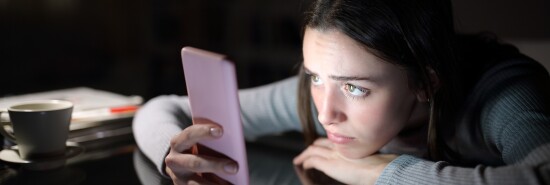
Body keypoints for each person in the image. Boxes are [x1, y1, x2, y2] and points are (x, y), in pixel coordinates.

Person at [132, 0, 550, 184]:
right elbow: (162, 108)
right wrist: (174, 156)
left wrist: (380, 173)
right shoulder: (325, 97)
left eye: (355, 87)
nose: (326, 112)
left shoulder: (504, 92)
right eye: (314, 76)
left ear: (426, 82)